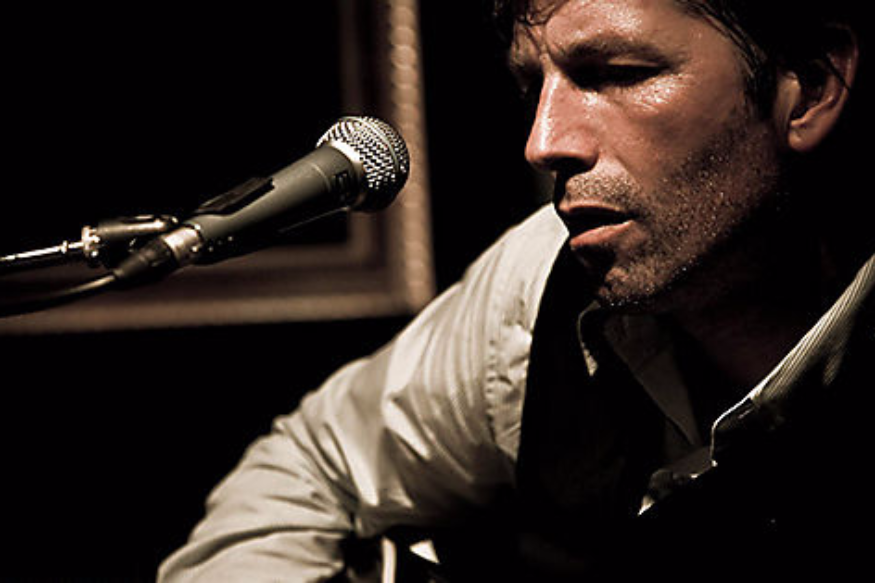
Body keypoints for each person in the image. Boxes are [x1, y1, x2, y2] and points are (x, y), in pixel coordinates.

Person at [159, 0, 873, 580]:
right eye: (535, 87)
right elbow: (315, 465)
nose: (543, 142)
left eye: (616, 73)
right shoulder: (543, 276)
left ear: (809, 86)